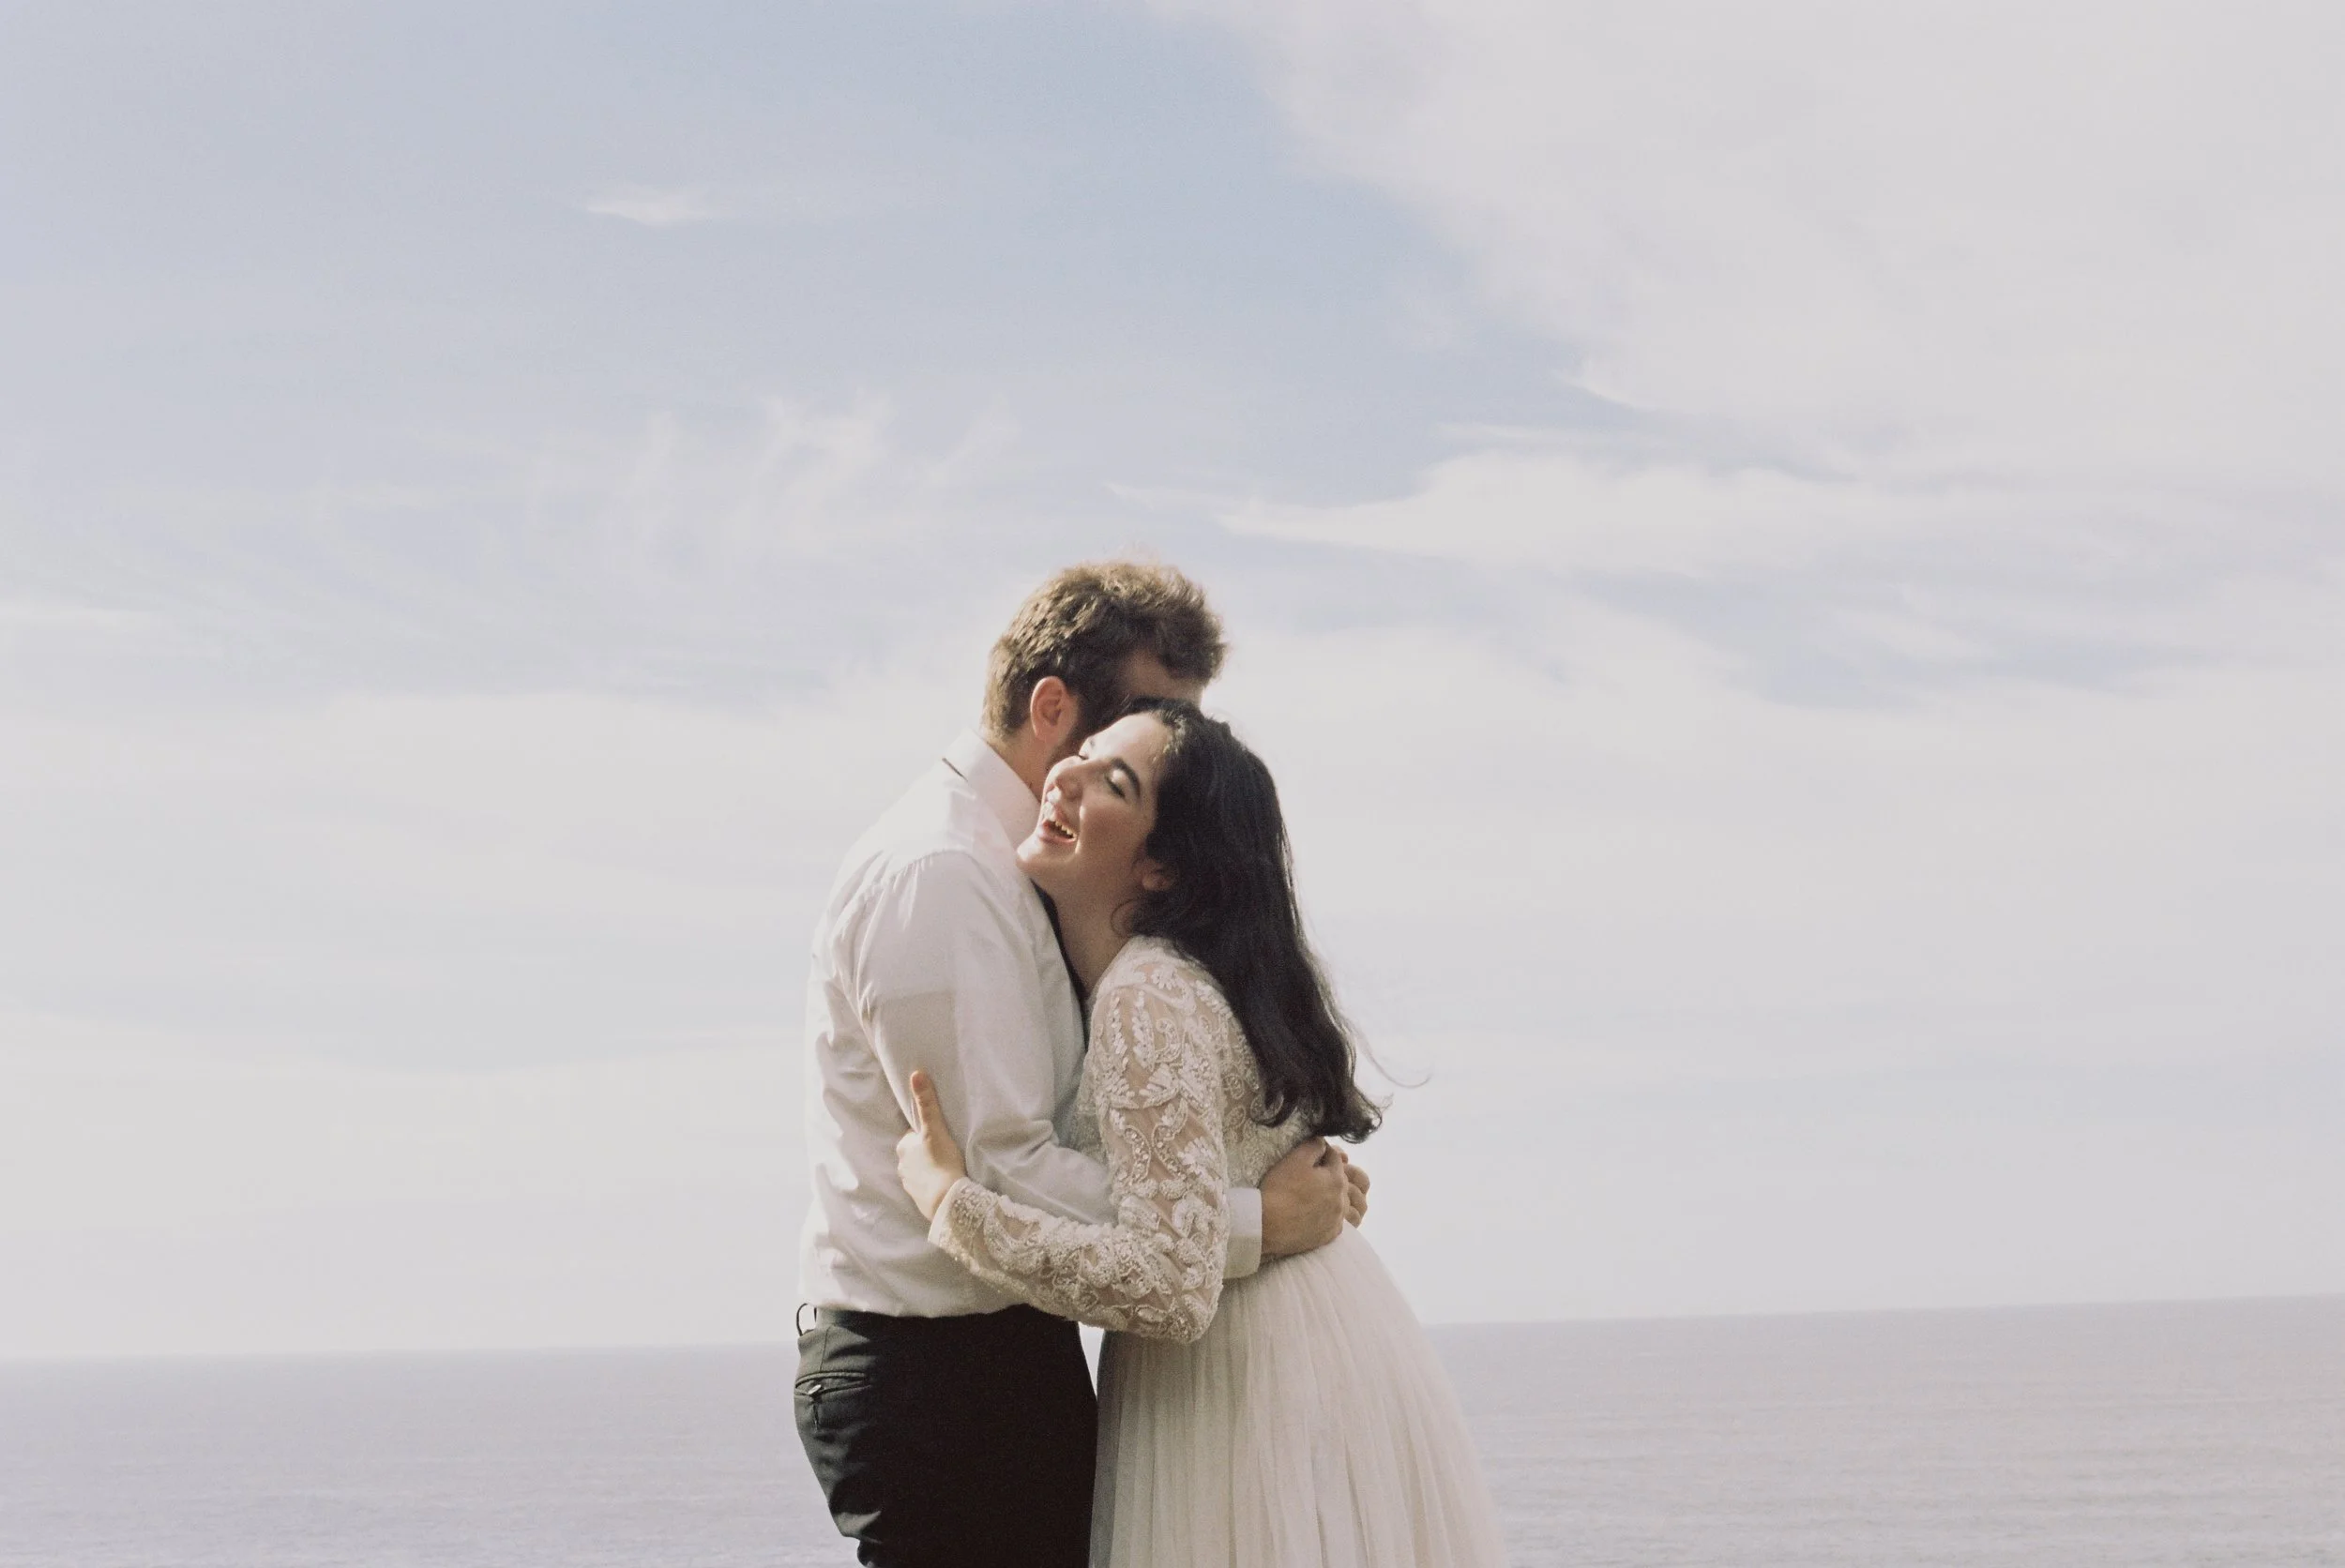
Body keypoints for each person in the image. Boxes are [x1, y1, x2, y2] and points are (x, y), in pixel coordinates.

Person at [794, 562, 1369, 1568]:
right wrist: (1253, 1220)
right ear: (1053, 707)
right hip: (937, 1371)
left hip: (1011, 1349)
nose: (1178, 757)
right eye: (1145, 721)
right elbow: (1000, 1164)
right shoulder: (945, 874)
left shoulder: (1039, 877)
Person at [895, 697, 1508, 1567]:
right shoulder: (1192, 978)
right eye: (1085, 750)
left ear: (1163, 868)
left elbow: (1169, 1283)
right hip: (1326, 1338)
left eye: (1113, 779)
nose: (1064, 771)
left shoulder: (1146, 995)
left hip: (1245, 1380)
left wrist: (952, 1206)